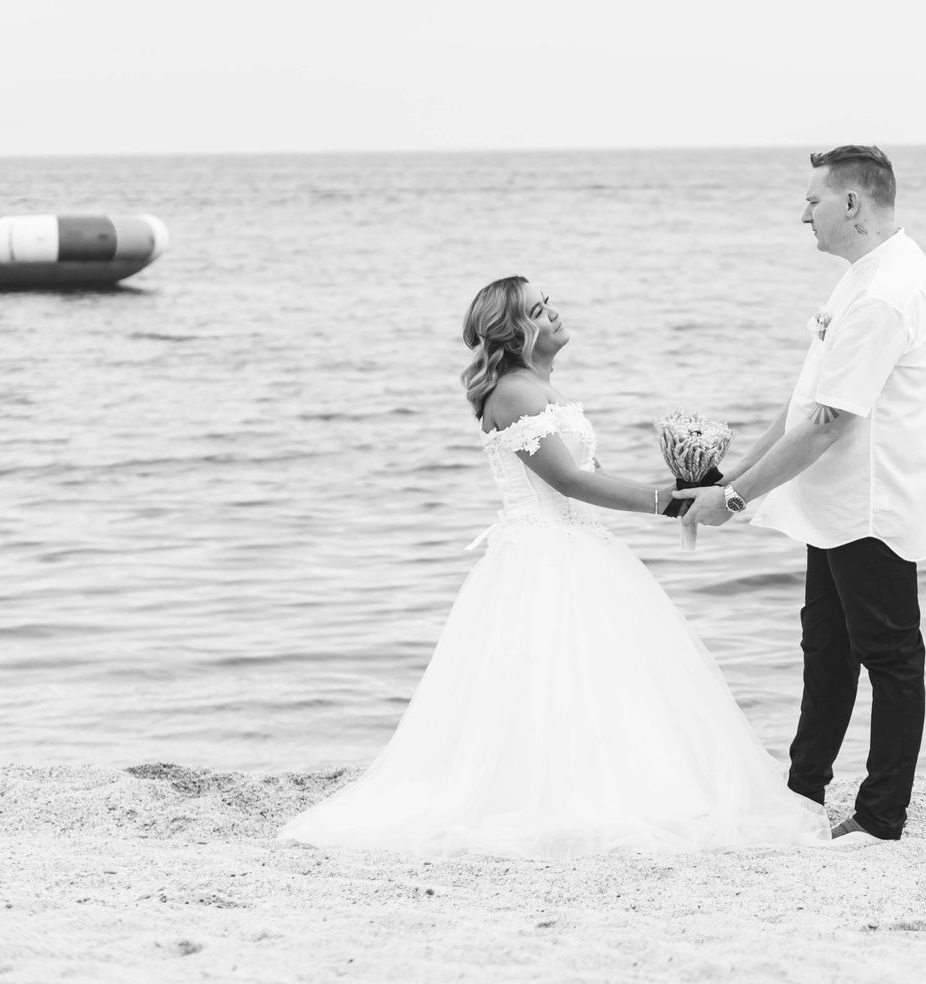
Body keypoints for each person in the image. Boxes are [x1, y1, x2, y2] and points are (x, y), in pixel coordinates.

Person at [279, 276, 827, 858]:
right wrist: (667, 505)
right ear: (515, 333)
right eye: (539, 310)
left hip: (581, 546)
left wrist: (691, 485)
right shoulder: (514, 392)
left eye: (548, 303)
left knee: (606, 678)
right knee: (550, 676)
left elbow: (594, 477)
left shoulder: (543, 387)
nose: (554, 313)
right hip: (542, 556)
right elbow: (568, 481)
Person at [678, 145, 926, 849]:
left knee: (890, 656)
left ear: (852, 204)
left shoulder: (888, 292)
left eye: (813, 200)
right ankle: (802, 794)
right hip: (830, 505)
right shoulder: (862, 276)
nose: (803, 214)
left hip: (870, 503)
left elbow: (828, 425)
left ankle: (881, 818)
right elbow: (804, 404)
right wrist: (728, 480)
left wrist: (735, 502)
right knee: (825, 649)